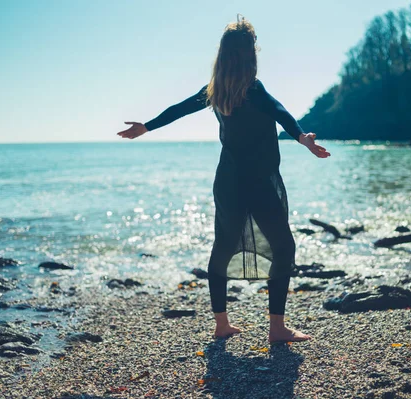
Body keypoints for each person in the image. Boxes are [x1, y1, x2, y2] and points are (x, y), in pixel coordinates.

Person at [117, 15, 330, 343]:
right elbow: (282, 113)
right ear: (249, 54)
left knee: (222, 248)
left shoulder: (216, 91)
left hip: (229, 182)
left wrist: (145, 127)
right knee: (284, 247)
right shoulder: (254, 89)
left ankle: (221, 324)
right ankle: (276, 328)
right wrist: (303, 139)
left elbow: (179, 109)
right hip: (259, 181)